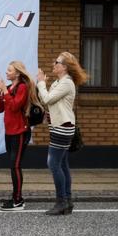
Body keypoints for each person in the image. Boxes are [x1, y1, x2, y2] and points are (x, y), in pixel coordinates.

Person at [36, 52, 88, 215]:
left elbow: (48, 99)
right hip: (60, 127)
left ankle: (61, 202)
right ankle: (67, 201)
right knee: (63, 165)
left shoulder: (67, 83)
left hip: (63, 129)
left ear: (64, 67)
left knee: (53, 164)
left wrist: (41, 83)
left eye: (56, 62)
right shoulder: (60, 82)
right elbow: (49, 102)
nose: (53, 64)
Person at [0, 61, 40, 211]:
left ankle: (18, 200)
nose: (6, 72)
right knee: (13, 166)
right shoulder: (9, 88)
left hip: (20, 132)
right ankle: (16, 196)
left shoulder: (22, 87)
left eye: (9, 70)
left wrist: (5, 93)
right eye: (7, 70)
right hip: (9, 132)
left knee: (15, 165)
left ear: (18, 73)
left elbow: (14, 106)